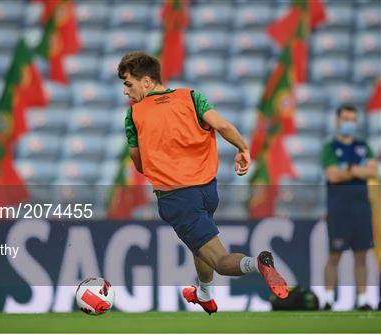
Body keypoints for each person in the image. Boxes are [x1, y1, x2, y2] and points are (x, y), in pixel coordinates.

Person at [117, 51, 289, 315]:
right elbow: (222, 126)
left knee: (219, 260)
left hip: (177, 198)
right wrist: (243, 148)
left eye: (129, 83)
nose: (125, 91)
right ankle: (204, 294)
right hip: (208, 190)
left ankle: (258, 263)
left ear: (147, 82)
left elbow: (138, 164)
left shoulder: (134, 115)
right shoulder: (190, 96)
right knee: (201, 247)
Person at [321, 104, 378, 311]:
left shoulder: (363, 146)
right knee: (335, 255)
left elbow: (372, 171)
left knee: (362, 255)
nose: (348, 123)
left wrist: (348, 169)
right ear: (337, 121)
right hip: (339, 209)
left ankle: (362, 300)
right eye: (345, 119)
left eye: (352, 119)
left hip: (361, 209)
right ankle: (327, 298)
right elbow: (332, 175)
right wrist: (358, 170)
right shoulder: (330, 147)